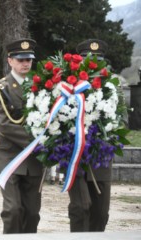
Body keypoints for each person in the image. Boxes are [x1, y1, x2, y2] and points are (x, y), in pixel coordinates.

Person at [0, 38, 43, 233]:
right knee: (13, 210)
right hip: (8, 155)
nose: (26, 63)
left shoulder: (42, 87)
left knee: (32, 212)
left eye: (29, 59)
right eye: (21, 60)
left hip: (34, 158)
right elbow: (2, 123)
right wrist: (38, 142)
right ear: (10, 61)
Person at [67, 39, 112, 232]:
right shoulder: (69, 87)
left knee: (101, 213)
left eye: (97, 60)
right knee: (80, 207)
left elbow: (122, 121)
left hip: (101, 157)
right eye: (88, 59)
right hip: (76, 156)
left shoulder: (111, 89)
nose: (93, 64)